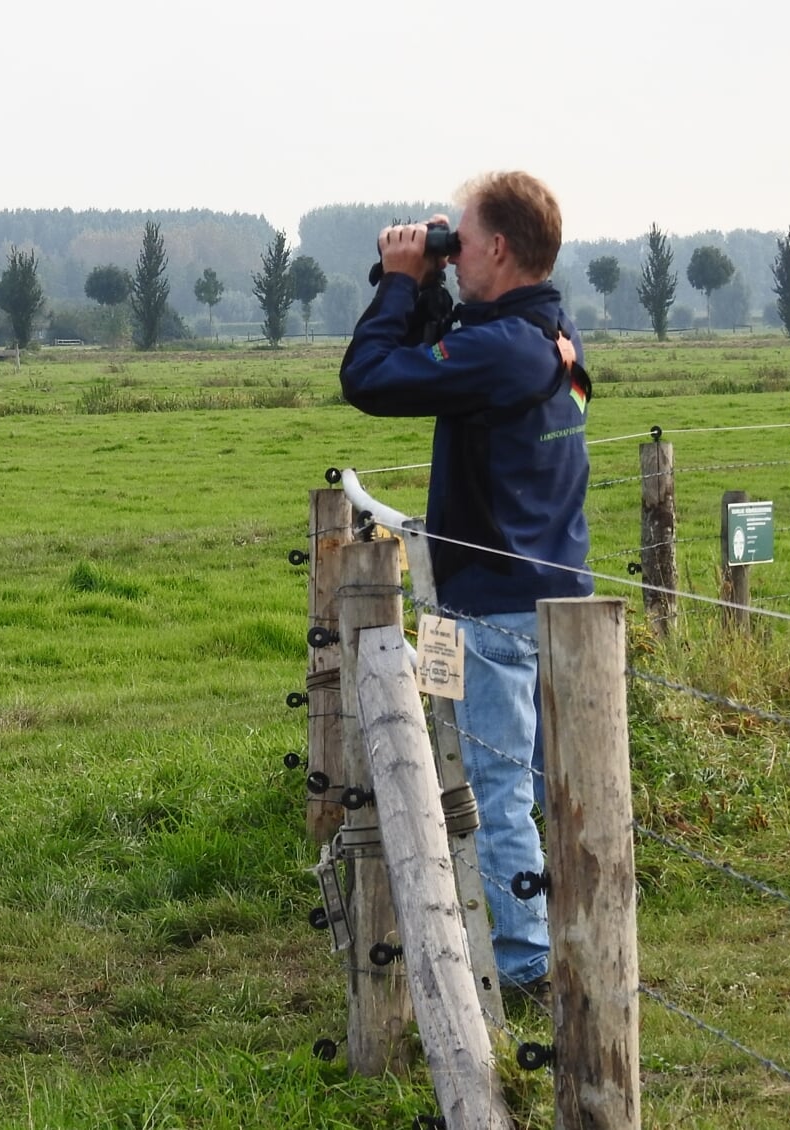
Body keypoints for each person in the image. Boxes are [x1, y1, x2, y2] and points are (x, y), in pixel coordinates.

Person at [336, 170, 593, 994]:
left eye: (464, 238)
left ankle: (522, 966)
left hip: (493, 608)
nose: (454, 248)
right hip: (558, 597)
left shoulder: (504, 351)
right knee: (564, 786)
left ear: (498, 247)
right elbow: (446, 354)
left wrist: (403, 279)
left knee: (497, 792)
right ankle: (582, 931)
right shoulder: (550, 339)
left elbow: (370, 379)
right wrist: (432, 285)